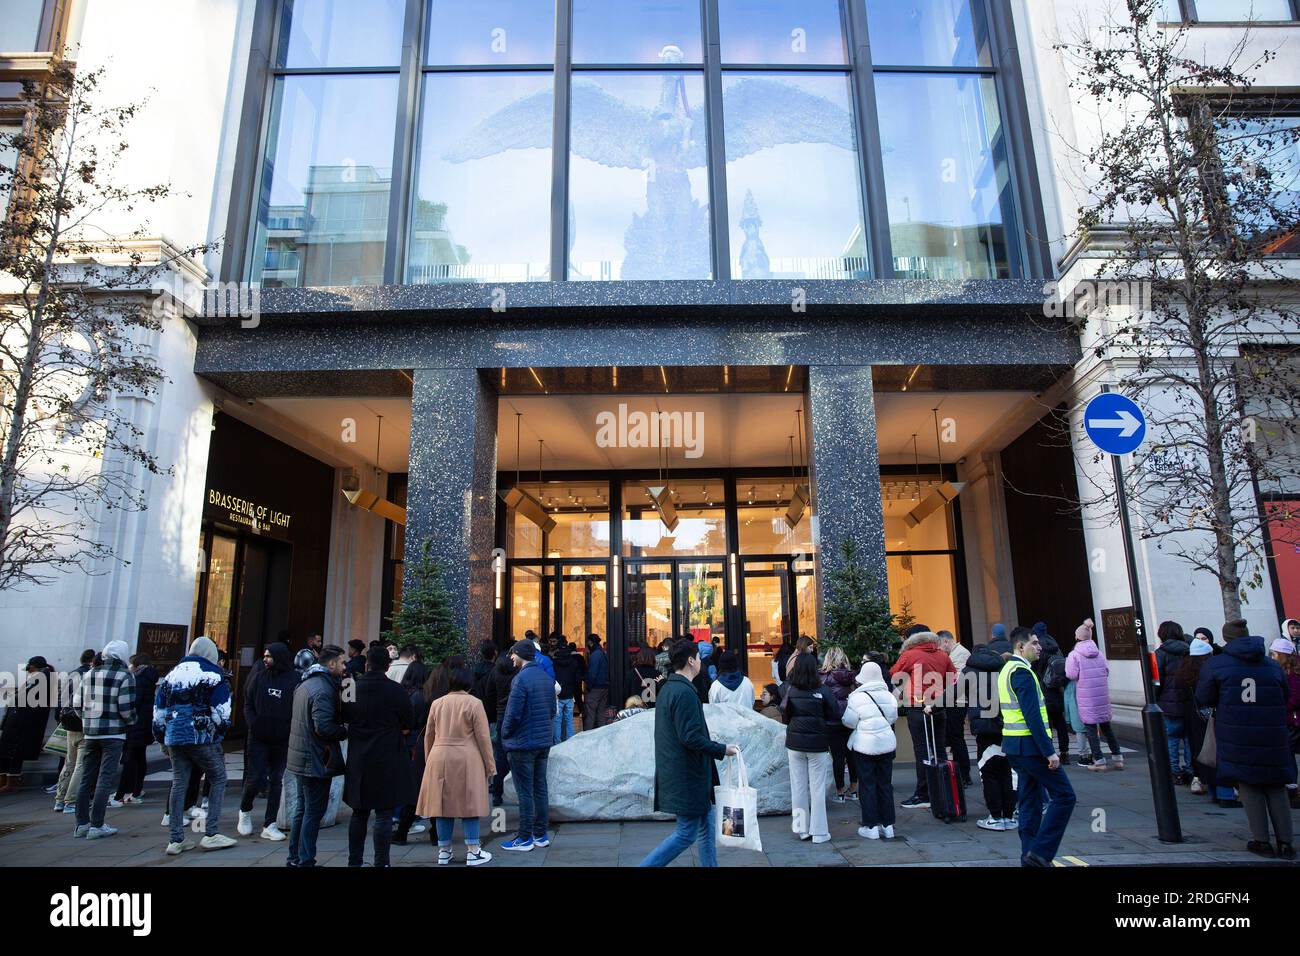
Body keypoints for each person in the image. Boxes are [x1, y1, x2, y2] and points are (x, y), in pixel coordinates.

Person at [1196, 626, 1295, 858]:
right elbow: (1285, 694)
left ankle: (1261, 840)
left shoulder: (1217, 664)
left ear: (1226, 638)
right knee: (1275, 784)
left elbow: (1204, 697)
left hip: (1237, 731)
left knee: (1249, 783)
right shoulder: (1271, 665)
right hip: (1272, 731)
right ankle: (1286, 842)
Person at [640, 639, 738, 867]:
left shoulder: (671, 688)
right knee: (686, 833)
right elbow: (690, 737)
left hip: (689, 773)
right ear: (691, 661)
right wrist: (723, 749)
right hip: (687, 775)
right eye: (700, 658)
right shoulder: (683, 692)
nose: (702, 662)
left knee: (706, 827)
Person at [152, 636, 235, 853]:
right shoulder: (214, 675)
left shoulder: (171, 675)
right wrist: (220, 731)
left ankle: (176, 838)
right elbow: (221, 712)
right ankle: (211, 833)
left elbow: (159, 712)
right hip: (201, 735)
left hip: (174, 735)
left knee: (180, 782)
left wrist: (162, 737)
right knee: (218, 778)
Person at [1002, 626, 1076, 866]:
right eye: (1034, 643)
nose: (1039, 646)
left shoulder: (1008, 669)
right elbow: (1032, 716)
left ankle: (1029, 856)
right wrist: (1050, 752)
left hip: (1016, 747)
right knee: (1065, 796)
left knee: (1030, 803)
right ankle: (1041, 852)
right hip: (1031, 748)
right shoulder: (1022, 672)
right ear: (1020, 646)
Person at [341, 646, 414, 867]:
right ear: (388, 666)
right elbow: (408, 721)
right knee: (384, 813)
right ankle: (381, 862)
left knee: (359, 812)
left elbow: (343, 715)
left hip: (359, 756)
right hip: (387, 755)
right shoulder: (396, 690)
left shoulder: (351, 687)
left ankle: (354, 861)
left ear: (366, 664)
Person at [416, 664, 495, 866]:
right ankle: (473, 851)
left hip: (439, 755)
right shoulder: (474, 703)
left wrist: (429, 760)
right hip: (467, 756)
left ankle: (444, 851)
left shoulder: (437, 703)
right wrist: (490, 766)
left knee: (441, 805)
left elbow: (429, 735)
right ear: (469, 683)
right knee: (470, 804)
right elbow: (483, 738)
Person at [286, 644, 349, 867]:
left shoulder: (306, 683)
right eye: (342, 662)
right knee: (313, 812)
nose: (344, 666)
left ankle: (295, 857)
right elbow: (323, 727)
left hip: (302, 756)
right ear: (330, 663)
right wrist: (344, 731)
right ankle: (305, 859)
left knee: (302, 810)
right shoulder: (322, 689)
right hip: (315, 758)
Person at [72, 641, 136, 841]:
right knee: (105, 778)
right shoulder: (125, 675)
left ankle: (81, 823)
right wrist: (132, 721)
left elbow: (77, 703)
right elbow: (126, 707)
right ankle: (97, 824)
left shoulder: (89, 674)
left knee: (86, 777)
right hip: (113, 733)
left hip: (91, 732)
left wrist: (86, 720)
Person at [499, 640, 557, 851]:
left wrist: (505, 734)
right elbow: (552, 710)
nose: (511, 658)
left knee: (525, 792)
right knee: (540, 787)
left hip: (523, 743)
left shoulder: (520, 679)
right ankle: (540, 834)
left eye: (513, 654)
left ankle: (524, 837)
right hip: (543, 741)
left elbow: (512, 714)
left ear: (520, 654)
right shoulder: (545, 677)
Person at [890, 629, 956, 809]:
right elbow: (953, 678)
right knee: (940, 750)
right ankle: (945, 791)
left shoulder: (910, 654)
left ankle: (923, 794)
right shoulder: (942, 655)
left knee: (922, 751)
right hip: (938, 706)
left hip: (917, 707)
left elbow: (894, 674)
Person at [238, 642, 297, 841]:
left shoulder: (294, 679)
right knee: (255, 778)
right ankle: (245, 811)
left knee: (277, 780)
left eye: (269, 656)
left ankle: (270, 823)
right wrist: (253, 724)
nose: (265, 659)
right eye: (265, 655)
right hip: (259, 736)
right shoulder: (258, 678)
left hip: (281, 737)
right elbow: (247, 703)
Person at [781, 653, 841, 844]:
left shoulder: (791, 690)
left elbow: (786, 715)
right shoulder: (823, 690)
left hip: (794, 743)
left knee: (798, 787)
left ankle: (801, 829)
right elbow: (835, 713)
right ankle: (819, 832)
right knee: (817, 788)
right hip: (817, 744)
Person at [842, 659, 899, 839]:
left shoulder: (856, 697)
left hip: (864, 746)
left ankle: (871, 826)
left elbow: (849, 722)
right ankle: (888, 825)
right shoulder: (889, 696)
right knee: (885, 784)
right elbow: (892, 718)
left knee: (867, 785)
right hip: (886, 745)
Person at [966, 640, 1017, 831]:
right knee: (1005, 772)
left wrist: (932, 707)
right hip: (1004, 725)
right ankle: (1009, 816)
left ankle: (995, 816)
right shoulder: (1003, 668)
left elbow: (953, 693)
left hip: (984, 728)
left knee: (988, 772)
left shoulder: (970, 671)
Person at [1178, 642, 1235, 804]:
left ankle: (1213, 790)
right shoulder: (1210, 670)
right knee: (1217, 753)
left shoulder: (1185, 670)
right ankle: (1224, 793)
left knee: (1204, 754)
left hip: (1193, 717)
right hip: (1210, 716)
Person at [1065, 619, 1123, 771]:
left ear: (1077, 637)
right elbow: (1106, 671)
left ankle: (1099, 760)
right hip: (1101, 694)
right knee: (1106, 727)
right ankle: (1118, 757)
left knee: (1090, 728)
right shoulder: (1099, 653)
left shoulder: (1074, 655)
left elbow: (1071, 674)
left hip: (1086, 695)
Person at [0, 657, 53, 794]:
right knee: (9, 752)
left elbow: (24, 698)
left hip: (22, 722)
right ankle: (7, 781)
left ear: (34, 667)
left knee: (14, 753)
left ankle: (11, 783)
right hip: (21, 721)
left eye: (30, 669)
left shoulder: (40, 678)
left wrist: (14, 696)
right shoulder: (40, 678)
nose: (28, 672)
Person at [53, 649, 95, 812]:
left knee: (69, 762)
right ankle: (71, 800)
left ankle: (59, 799)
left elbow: (61, 700)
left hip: (68, 722)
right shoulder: (91, 676)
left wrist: (60, 718)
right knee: (80, 764)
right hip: (83, 723)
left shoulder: (72, 675)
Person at [113, 653, 158, 805]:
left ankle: (121, 794)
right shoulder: (148, 677)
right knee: (139, 757)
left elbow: (134, 702)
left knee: (130, 758)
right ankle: (136, 790)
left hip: (136, 724)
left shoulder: (138, 679)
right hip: (144, 724)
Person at [817, 646, 858, 802]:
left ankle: (840, 791)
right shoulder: (851, 676)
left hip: (831, 720)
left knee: (838, 756)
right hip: (850, 719)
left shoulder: (823, 677)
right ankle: (854, 789)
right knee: (851, 754)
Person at [1154, 621, 1192, 783]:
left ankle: (1174, 770)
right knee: (1189, 738)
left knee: (1172, 738)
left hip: (1168, 702)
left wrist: (1155, 698)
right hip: (1188, 700)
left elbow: (1157, 680)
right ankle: (1191, 769)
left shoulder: (1160, 653)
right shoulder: (1189, 650)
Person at [1030, 622, 1070, 767]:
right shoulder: (1055, 647)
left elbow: (1034, 667)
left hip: (1043, 690)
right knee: (1060, 723)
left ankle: (1049, 752)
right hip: (1057, 690)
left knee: (1046, 724)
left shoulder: (1038, 649)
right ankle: (1065, 753)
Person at [937, 630, 973, 786]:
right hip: (955, 700)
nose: (939, 649)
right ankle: (962, 773)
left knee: (956, 737)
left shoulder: (960, 654)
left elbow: (955, 680)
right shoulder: (956, 653)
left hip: (958, 701)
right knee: (954, 737)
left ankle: (964, 774)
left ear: (946, 641)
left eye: (939, 645)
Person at [482, 651, 517, 808]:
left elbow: (489, 694)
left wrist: (492, 716)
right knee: (518, 755)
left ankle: (497, 793)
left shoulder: (495, 673)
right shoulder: (518, 673)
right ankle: (518, 791)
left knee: (500, 757)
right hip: (515, 714)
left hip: (501, 715)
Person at [1276, 630, 1300, 807]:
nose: (1272, 656)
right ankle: (1291, 785)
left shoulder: (1292, 673)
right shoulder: (1284, 671)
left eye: (1274, 653)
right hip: (1289, 718)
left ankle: (1292, 787)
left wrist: (1281, 706)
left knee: (1288, 753)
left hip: (1292, 719)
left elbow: (1294, 697)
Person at [551, 637, 585, 742]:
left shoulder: (554, 662)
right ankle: (569, 742)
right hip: (569, 694)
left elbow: (552, 677)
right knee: (569, 720)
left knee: (557, 721)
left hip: (558, 695)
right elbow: (577, 679)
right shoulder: (574, 663)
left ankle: (557, 743)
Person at [583, 633, 611, 730]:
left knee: (590, 714)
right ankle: (601, 735)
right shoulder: (603, 653)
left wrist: (588, 687)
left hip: (595, 688)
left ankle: (587, 737)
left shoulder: (595, 655)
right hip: (604, 687)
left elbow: (592, 673)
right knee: (600, 714)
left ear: (590, 642)